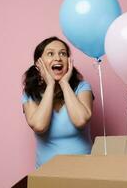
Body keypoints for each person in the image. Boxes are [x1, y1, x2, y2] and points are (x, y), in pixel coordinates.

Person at [21, 36, 94, 168]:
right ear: (38, 64)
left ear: (69, 61)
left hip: (84, 171)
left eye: (63, 53)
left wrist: (64, 83)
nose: (58, 58)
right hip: (47, 174)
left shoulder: (82, 87)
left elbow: (81, 120)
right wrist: (50, 85)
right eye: (50, 53)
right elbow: (39, 126)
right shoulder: (30, 93)